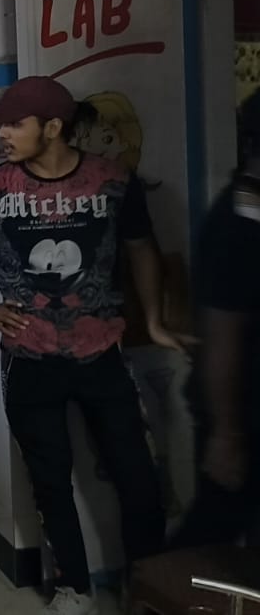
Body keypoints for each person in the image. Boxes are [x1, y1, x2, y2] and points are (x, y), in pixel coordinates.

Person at [0, 77, 170, 613]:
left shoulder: (113, 181)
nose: (2, 135)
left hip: (102, 353)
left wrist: (155, 321)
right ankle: (74, 587)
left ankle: (149, 588)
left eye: (14, 124)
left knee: (138, 478)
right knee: (49, 482)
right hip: (28, 357)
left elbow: (143, 248)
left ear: (53, 127)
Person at [174, 89, 260, 547]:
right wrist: (227, 433)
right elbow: (223, 335)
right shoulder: (238, 223)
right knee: (213, 533)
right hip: (243, 413)